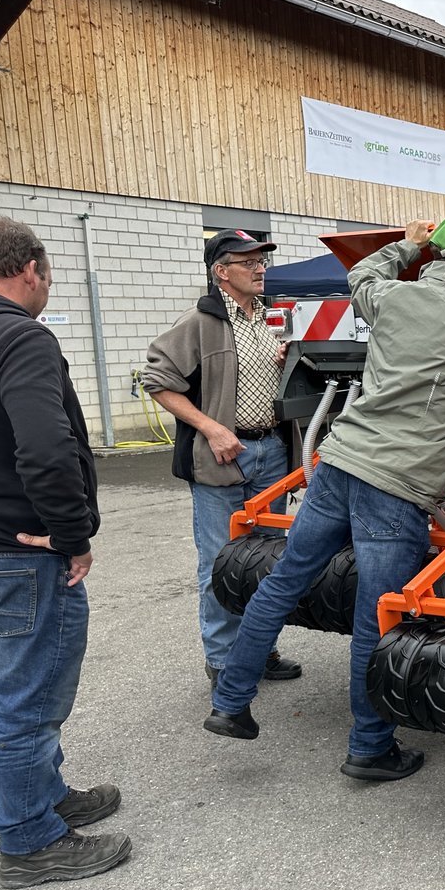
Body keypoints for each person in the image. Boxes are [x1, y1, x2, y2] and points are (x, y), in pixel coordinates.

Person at [203, 215, 445, 781]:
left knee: (284, 581)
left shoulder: (391, 298)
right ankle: (371, 748)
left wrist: (406, 245)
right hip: (395, 485)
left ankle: (230, 703)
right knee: (378, 617)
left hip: (339, 464)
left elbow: (361, 276)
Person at [0, 217, 130, 888]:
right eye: (48, 276)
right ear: (29, 269)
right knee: (28, 700)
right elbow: (46, 447)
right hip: (19, 552)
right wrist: (71, 534)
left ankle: (45, 796)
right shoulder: (19, 336)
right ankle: (29, 841)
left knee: (2, 688)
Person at [143, 230, 301, 689]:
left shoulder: (269, 318)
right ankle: (223, 661)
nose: (259, 268)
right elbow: (157, 381)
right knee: (220, 563)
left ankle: (259, 651)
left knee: (264, 561)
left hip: (272, 452)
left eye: (261, 261)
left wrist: (285, 363)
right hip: (222, 459)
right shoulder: (200, 321)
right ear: (221, 271)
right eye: (248, 262)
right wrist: (211, 428)